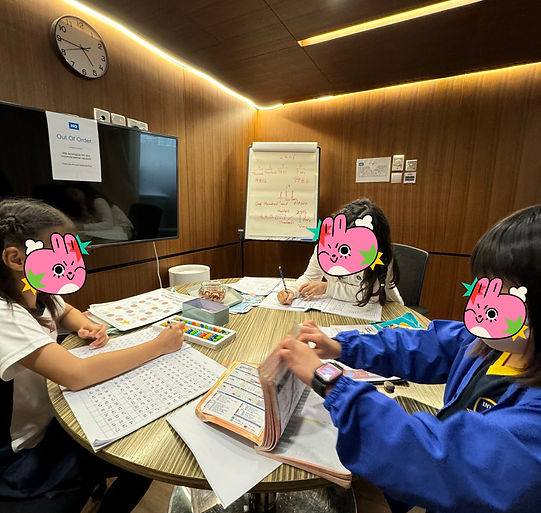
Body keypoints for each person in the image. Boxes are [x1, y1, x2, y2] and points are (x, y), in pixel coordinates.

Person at [279, 204, 541, 513]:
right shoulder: (493, 345)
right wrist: (340, 345)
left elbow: (431, 456)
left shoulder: (531, 427)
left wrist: (329, 379)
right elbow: (421, 344)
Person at [0, 198, 184, 511]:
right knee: (139, 459)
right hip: (24, 450)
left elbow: (65, 309)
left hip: (55, 417)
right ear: (17, 258)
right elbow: (77, 375)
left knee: (144, 457)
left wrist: (87, 326)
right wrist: (159, 346)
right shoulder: (5, 314)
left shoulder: (36, 290)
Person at [278, 198, 402, 306]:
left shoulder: (380, 257)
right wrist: (291, 291)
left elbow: (370, 295)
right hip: (341, 308)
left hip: (383, 310)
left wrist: (328, 288)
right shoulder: (326, 246)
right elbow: (309, 277)